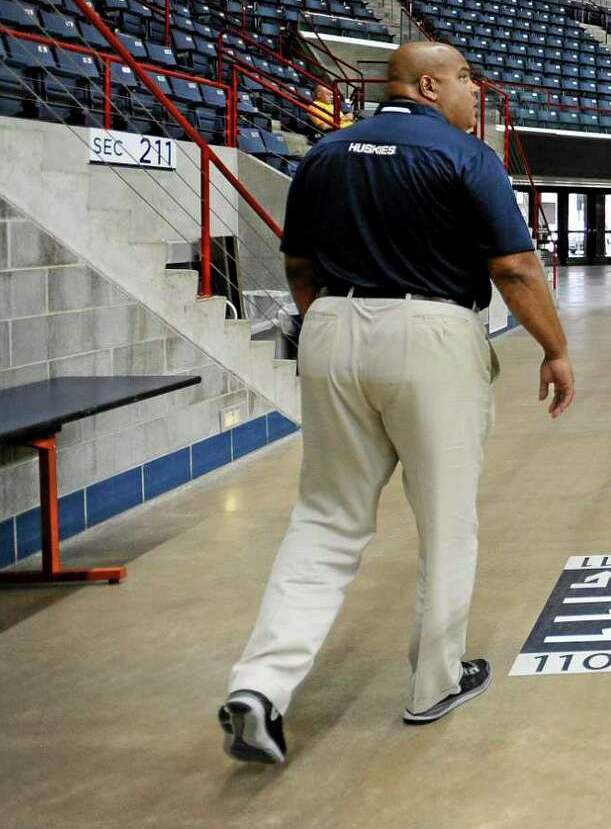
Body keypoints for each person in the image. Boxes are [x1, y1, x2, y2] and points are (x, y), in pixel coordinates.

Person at [219, 40, 575, 766]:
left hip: (330, 327)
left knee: (326, 517)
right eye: (467, 79)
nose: (475, 93)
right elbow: (511, 266)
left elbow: (297, 264)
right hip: (431, 331)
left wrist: (337, 323)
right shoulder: (465, 157)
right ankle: (433, 685)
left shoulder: (323, 155)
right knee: (446, 518)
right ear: (429, 81)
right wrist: (556, 349)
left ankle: (260, 686)